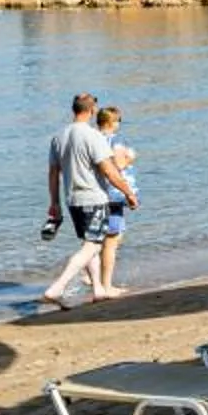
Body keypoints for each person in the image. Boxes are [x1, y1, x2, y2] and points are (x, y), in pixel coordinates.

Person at [39, 94, 134, 310]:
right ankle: (57, 288)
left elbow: (53, 173)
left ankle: (99, 290)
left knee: (88, 244)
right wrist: (129, 193)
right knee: (92, 245)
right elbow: (109, 170)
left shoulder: (59, 136)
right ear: (92, 111)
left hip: (72, 200)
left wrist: (54, 202)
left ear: (74, 109)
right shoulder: (93, 136)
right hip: (95, 198)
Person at [92, 105, 139, 293]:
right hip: (114, 193)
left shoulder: (93, 139)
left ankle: (93, 278)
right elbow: (117, 166)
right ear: (113, 122)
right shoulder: (115, 140)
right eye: (118, 120)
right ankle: (106, 285)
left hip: (96, 192)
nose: (119, 124)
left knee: (99, 237)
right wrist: (131, 158)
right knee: (112, 239)